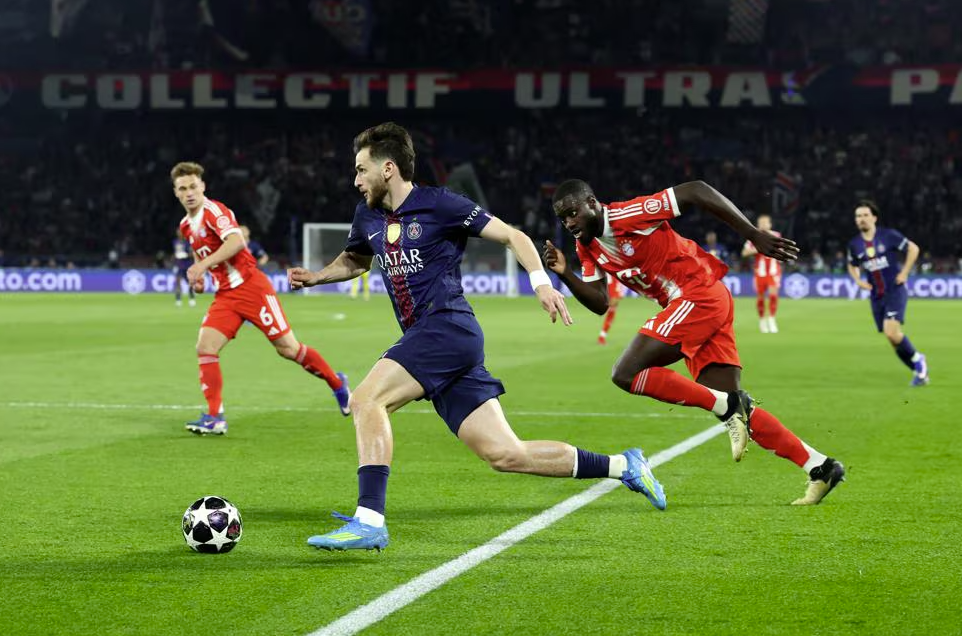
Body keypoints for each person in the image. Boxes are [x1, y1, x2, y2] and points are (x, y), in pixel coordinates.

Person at [287, 123, 666, 552]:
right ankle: (623, 466)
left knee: (366, 400)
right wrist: (318, 276)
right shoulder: (367, 215)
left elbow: (513, 236)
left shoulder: (441, 204)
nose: (356, 180)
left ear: (388, 168)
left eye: (361, 169)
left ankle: (369, 520)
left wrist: (541, 283)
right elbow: (356, 259)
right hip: (437, 342)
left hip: (446, 327)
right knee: (506, 454)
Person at [543, 179, 845, 506]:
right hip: (698, 304)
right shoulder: (586, 246)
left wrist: (752, 234)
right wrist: (565, 273)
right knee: (733, 403)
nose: (569, 222)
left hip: (697, 295)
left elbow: (696, 190)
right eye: (563, 218)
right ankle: (820, 467)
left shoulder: (628, 215)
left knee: (625, 373)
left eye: (573, 212)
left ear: (592, 203)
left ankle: (728, 407)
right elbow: (601, 302)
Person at [171, 161, 352, 435]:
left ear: (203, 186)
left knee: (288, 349)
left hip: (252, 288)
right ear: (176, 192)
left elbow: (236, 242)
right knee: (205, 347)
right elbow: (199, 254)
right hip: (226, 295)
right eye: (183, 188)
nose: (189, 193)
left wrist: (202, 265)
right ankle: (215, 417)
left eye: (193, 186)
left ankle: (337, 384)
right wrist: (199, 276)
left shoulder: (214, 211)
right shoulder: (186, 226)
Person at [846, 200, 928, 386]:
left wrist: (905, 272)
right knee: (892, 339)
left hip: (894, 290)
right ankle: (919, 372)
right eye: (858, 216)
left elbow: (913, 248)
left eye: (865, 215)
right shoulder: (854, 244)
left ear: (874, 218)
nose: (861, 219)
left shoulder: (888, 235)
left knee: (892, 332)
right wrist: (858, 280)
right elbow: (852, 264)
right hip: (876, 296)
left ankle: (919, 360)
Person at [741, 214, 782, 333]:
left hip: (773, 271)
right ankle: (762, 320)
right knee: (760, 298)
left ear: (770, 224)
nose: (763, 225)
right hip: (760, 272)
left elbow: (781, 250)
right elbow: (744, 253)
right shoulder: (754, 237)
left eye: (765, 223)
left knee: (773, 296)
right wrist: (757, 249)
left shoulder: (776, 235)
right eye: (761, 223)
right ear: (758, 225)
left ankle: (772, 319)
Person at [597, 273, 625, 345]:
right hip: (611, 287)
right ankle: (602, 337)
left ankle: (602, 336)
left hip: (612, 285)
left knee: (611, 313)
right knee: (611, 313)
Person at [172, 231, 196, 307]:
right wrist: (175, 261)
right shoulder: (175, 242)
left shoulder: (188, 242)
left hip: (187, 265)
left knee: (190, 282)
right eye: (178, 232)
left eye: (180, 232)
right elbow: (176, 253)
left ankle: (191, 298)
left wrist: (185, 255)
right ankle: (178, 299)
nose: (179, 233)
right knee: (178, 281)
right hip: (179, 265)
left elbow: (192, 254)